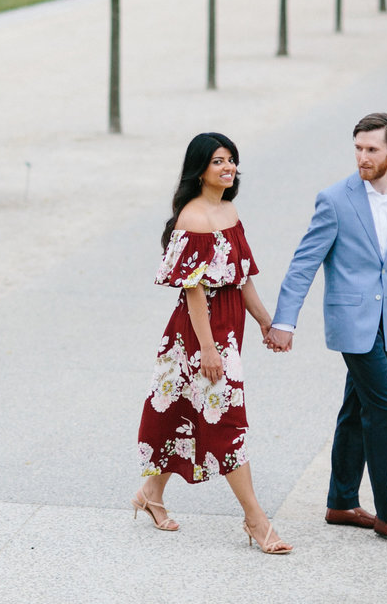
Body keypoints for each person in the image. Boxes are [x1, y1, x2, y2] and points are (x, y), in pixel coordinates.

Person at [266, 113, 387, 542]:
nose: (362, 156)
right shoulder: (335, 199)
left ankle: (341, 501)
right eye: (358, 148)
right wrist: (284, 321)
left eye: (372, 149)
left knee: (357, 408)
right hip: (350, 321)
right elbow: (304, 262)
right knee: (385, 408)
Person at [135, 132, 292, 555]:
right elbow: (194, 292)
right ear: (199, 168)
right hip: (200, 332)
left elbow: (242, 277)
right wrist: (207, 348)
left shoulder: (228, 210)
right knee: (225, 421)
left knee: (184, 408)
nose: (228, 167)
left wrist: (265, 323)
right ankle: (256, 521)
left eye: (232, 160)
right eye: (218, 161)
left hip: (228, 326)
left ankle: (150, 493)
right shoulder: (195, 218)